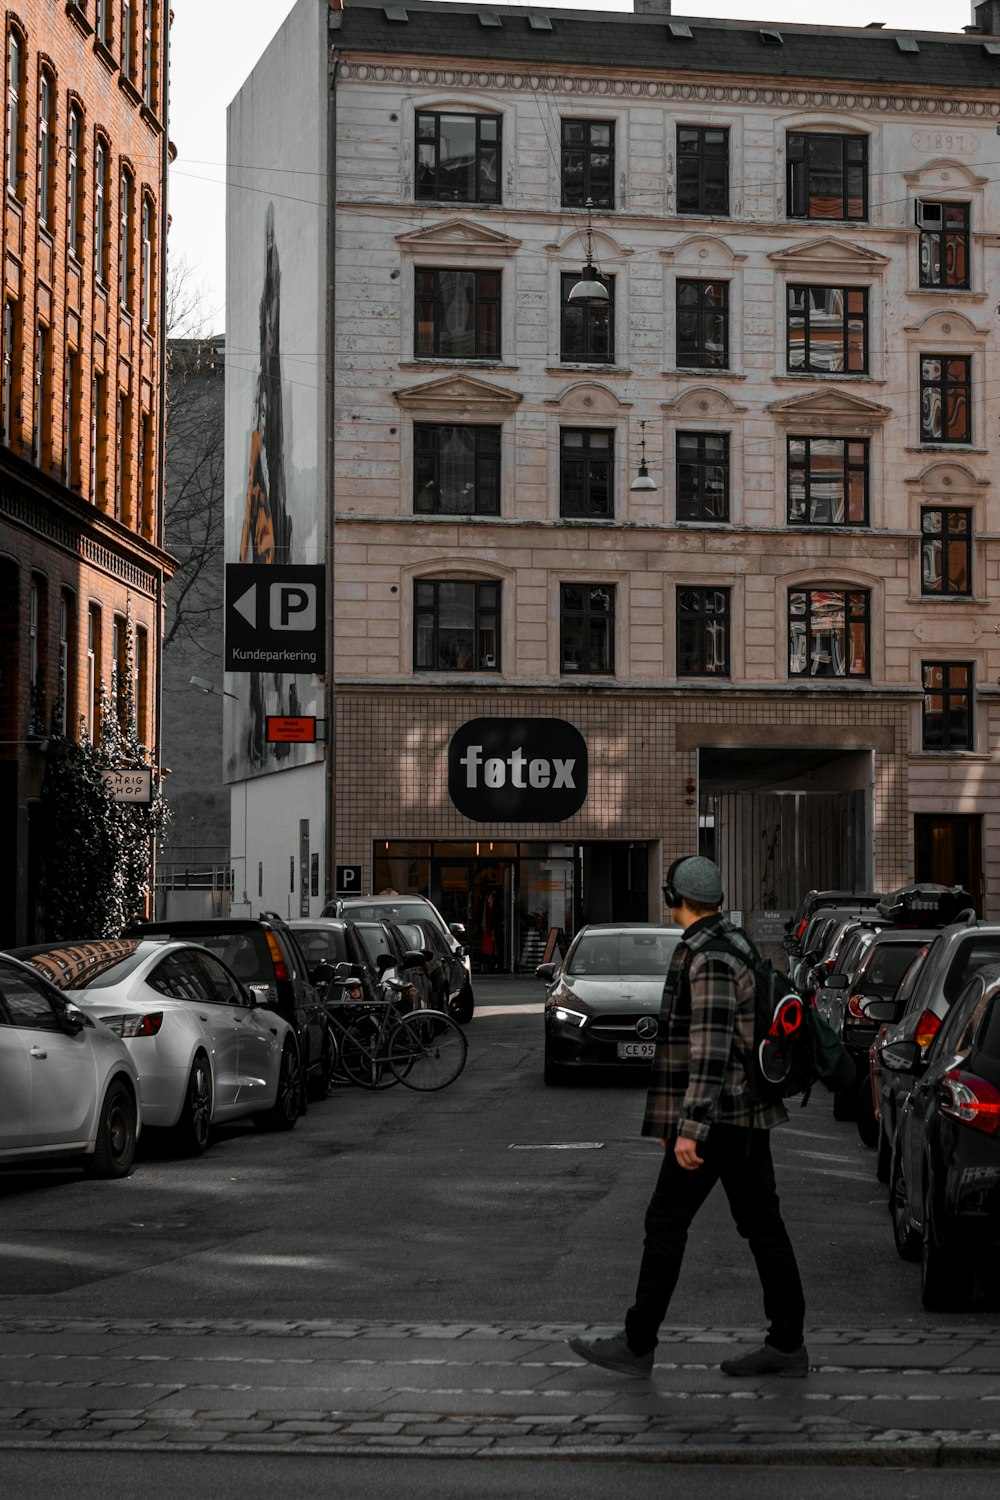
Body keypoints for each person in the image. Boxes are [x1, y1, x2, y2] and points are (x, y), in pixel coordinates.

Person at [567, 855, 807, 1380]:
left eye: (667, 892)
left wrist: (689, 1129)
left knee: (666, 1222)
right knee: (763, 1227)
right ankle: (787, 1343)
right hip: (742, 1117)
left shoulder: (712, 957)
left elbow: (711, 1051)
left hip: (722, 1118)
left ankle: (637, 1343)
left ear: (676, 897)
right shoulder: (728, 943)